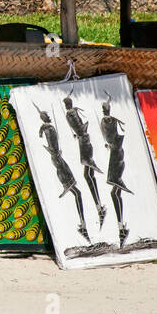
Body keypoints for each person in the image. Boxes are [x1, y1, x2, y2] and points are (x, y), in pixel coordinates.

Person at [39, 109, 89, 242]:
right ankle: (83, 224)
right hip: (58, 159)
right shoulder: (48, 129)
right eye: (46, 116)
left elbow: (50, 140)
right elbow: (48, 139)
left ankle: (83, 224)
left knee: (77, 193)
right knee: (77, 193)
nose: (49, 116)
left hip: (58, 158)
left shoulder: (48, 128)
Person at [63, 96, 105, 227]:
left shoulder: (70, 113)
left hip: (84, 142)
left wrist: (80, 131)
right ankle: (99, 208)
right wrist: (82, 129)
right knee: (88, 175)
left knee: (88, 174)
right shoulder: (72, 112)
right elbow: (80, 127)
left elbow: (79, 128)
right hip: (84, 141)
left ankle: (99, 208)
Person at [98, 100, 132, 248]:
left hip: (116, 156)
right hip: (118, 155)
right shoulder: (112, 121)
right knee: (115, 192)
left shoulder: (105, 121)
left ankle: (121, 228)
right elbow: (111, 137)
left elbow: (108, 137)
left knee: (115, 191)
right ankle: (121, 228)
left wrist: (108, 143)